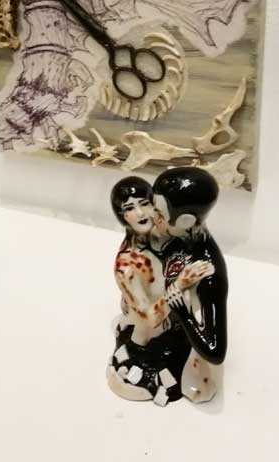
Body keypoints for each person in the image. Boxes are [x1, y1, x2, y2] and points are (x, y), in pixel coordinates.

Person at [107, 175, 215, 405]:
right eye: (129, 208)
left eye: (144, 203)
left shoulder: (161, 234)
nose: (141, 213)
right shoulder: (127, 266)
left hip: (173, 317)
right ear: (122, 216)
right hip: (150, 331)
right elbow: (148, 319)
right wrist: (180, 284)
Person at [150, 168, 228, 403]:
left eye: (159, 213)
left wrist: (183, 313)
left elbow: (215, 351)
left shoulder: (209, 275)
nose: (153, 218)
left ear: (185, 220)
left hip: (187, 353)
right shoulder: (176, 239)